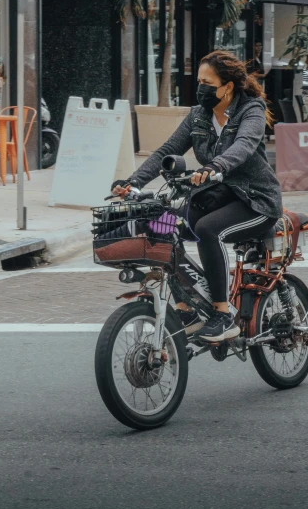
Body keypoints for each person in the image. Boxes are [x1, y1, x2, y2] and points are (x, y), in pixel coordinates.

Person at [111, 50, 282, 342]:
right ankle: (186, 308)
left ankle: (222, 314)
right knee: (160, 226)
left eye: (207, 82)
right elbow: (167, 151)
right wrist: (133, 182)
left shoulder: (249, 109)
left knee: (207, 229)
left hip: (256, 201)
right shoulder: (199, 115)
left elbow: (244, 144)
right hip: (215, 197)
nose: (201, 87)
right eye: (199, 81)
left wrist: (217, 165)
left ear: (227, 86)